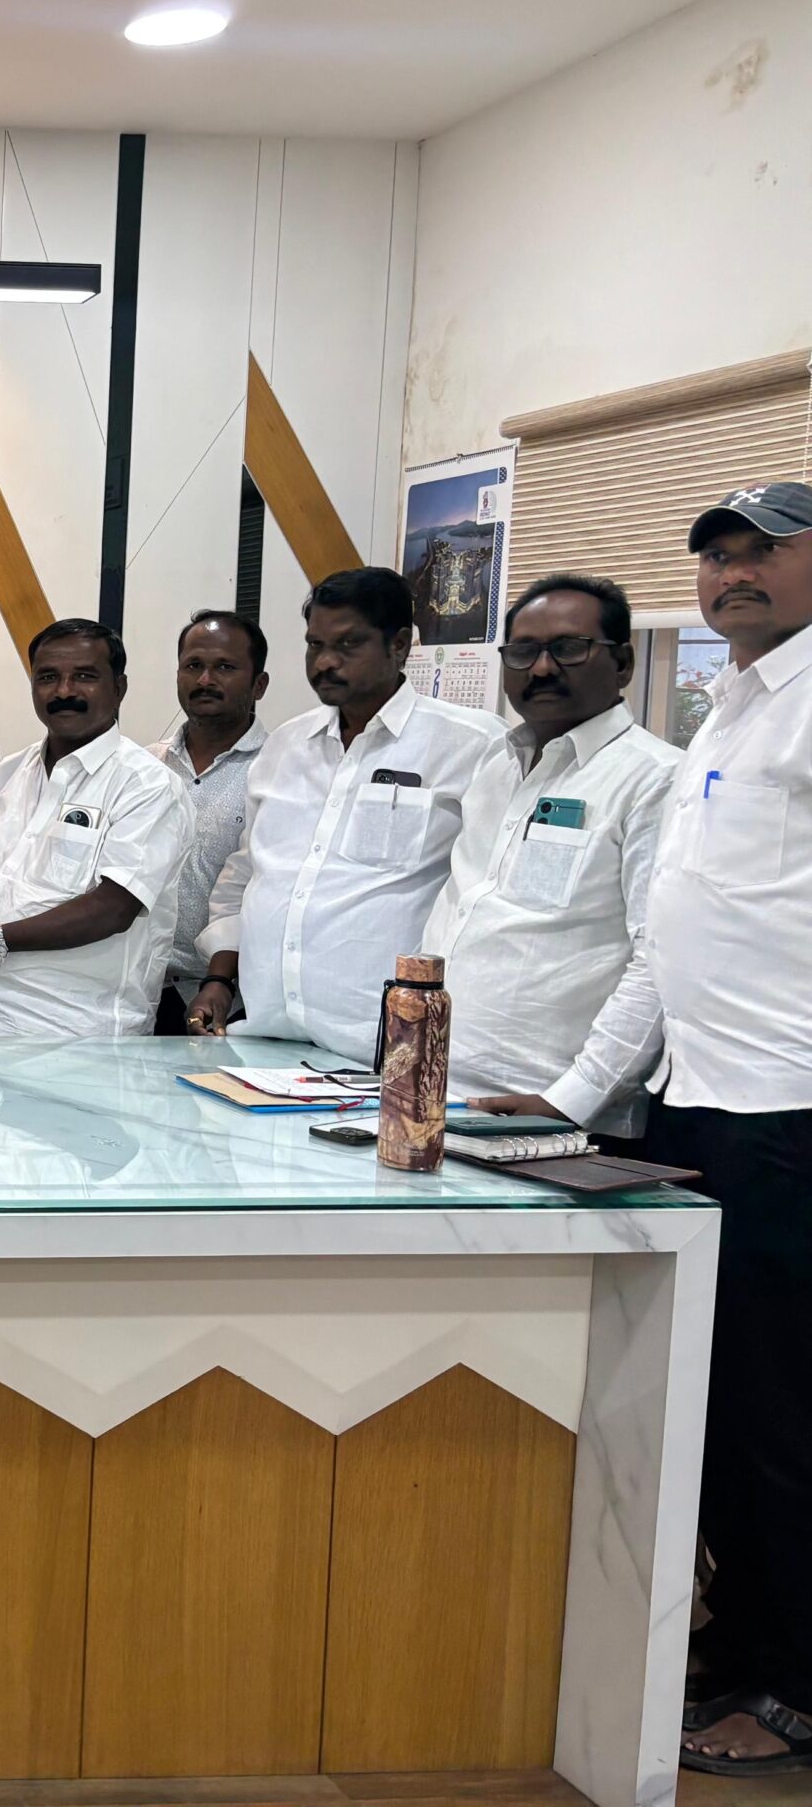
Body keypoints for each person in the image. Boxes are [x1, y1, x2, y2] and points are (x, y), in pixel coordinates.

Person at [629, 484, 812, 1778]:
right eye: (717, 556)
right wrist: (578, 1091)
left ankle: (795, 1685)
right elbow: (676, 925)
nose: (733, 573)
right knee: (718, 1407)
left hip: (785, 1109)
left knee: (782, 1415)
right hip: (695, 1096)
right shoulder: (731, 705)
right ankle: (742, 1640)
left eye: (765, 552)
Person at [189, 567, 505, 1057]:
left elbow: (482, 898)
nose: (325, 662)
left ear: (399, 644)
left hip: (383, 1044)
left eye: (348, 644)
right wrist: (221, 979)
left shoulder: (473, 745)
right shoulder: (286, 746)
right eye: (315, 645)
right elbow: (247, 874)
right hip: (266, 1031)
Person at [421, 575, 678, 1137]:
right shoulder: (495, 766)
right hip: (435, 1089)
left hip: (551, 1114)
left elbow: (661, 962)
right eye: (523, 651)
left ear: (623, 664)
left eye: (568, 648)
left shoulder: (655, 780)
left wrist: (571, 1099)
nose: (540, 668)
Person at [0, 619, 193, 1035]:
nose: (64, 691)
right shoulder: (8, 774)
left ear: (119, 688)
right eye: (48, 677)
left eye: (85, 676)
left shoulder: (147, 784)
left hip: (75, 1036)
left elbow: (113, 909)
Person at [147, 610, 269, 1032]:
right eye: (193, 665)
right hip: (139, 987)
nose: (205, 680)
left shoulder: (280, 772)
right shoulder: (146, 766)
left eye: (225, 667)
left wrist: (222, 980)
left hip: (230, 999)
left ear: (259, 684)